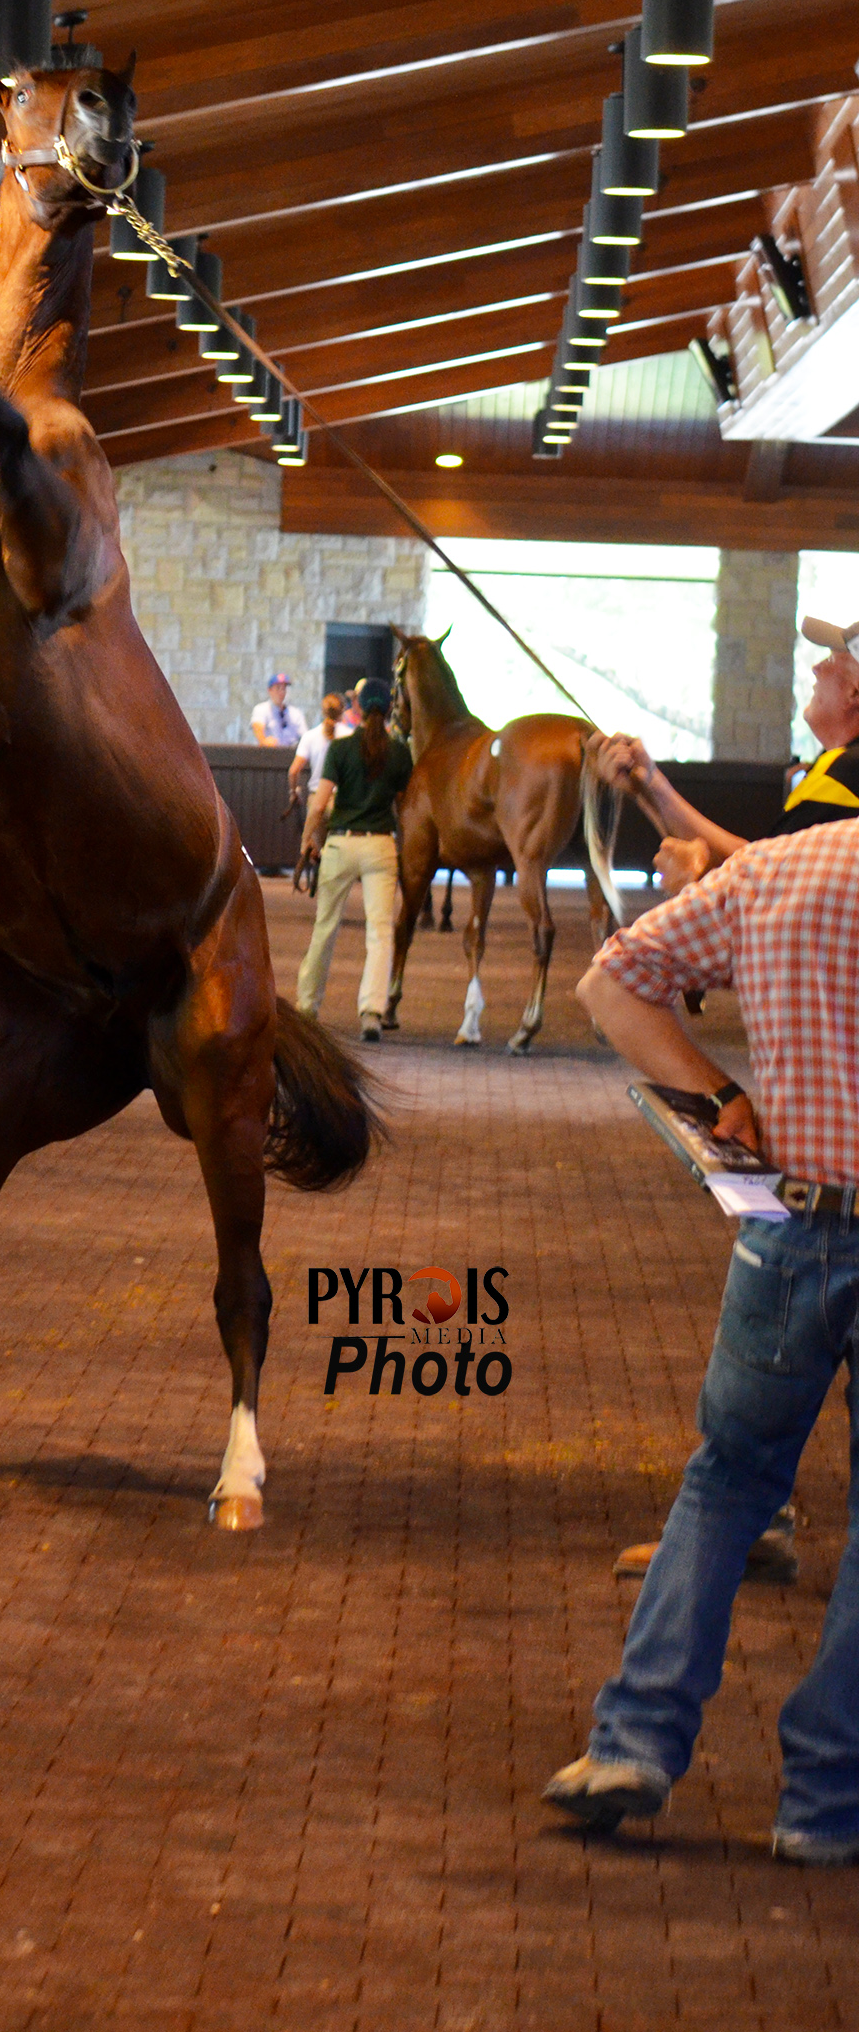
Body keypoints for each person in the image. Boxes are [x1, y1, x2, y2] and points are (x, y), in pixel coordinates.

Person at [543, 822, 859, 1862]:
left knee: (728, 1478)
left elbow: (611, 982)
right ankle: (824, 1801)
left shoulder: (780, 867)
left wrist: (720, 1094)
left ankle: (633, 1739)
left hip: (791, 1225)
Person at [598, 611, 859, 890]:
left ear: (854, 693)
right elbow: (755, 860)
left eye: (832, 660)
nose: (816, 668)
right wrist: (649, 784)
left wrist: (694, 878)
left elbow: (761, 882)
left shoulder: (843, 773)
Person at [295, 676, 413, 1041]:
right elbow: (406, 807)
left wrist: (306, 843)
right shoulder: (399, 753)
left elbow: (318, 804)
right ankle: (372, 1013)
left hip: (341, 845)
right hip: (380, 846)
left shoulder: (341, 750)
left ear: (357, 708)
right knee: (380, 933)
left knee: (325, 928)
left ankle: (306, 1008)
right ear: (390, 707)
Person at [286, 692, 346, 803]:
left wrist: (293, 792)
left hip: (317, 798)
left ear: (323, 711)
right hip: (341, 800)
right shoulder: (349, 735)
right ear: (342, 711)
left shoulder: (310, 736)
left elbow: (293, 771)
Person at [250, 671, 306, 752]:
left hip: (289, 755)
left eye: (284, 688)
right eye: (278, 688)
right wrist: (264, 741)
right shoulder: (261, 709)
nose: (281, 692)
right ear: (270, 690)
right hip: (269, 756)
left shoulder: (295, 713)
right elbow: (258, 728)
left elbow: (305, 736)